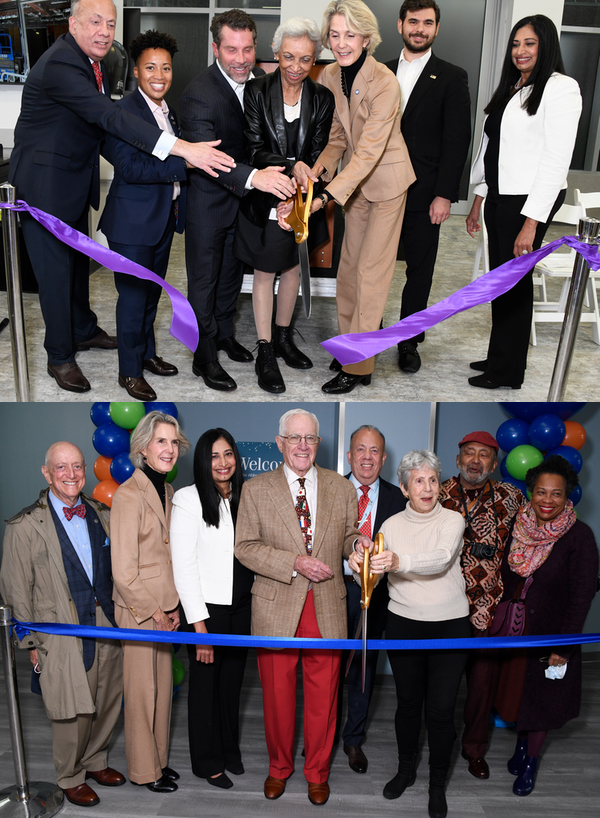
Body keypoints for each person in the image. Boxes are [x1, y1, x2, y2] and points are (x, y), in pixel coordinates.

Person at [9, 0, 235, 394]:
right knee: (57, 276)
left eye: (110, 23)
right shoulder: (62, 63)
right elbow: (107, 116)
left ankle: (82, 330)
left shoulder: (93, 62)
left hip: (73, 185)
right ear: (72, 23)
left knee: (78, 270)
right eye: (94, 21)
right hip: (44, 191)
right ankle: (60, 356)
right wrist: (182, 149)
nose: (103, 30)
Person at [235, 408, 369, 806]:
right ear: (279, 443)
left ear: (318, 444)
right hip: (276, 605)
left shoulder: (340, 487)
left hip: (327, 604)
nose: (302, 446)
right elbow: (245, 547)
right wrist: (293, 563)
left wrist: (356, 546)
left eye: (310, 438)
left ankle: (318, 772)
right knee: (276, 698)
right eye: (294, 438)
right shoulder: (256, 489)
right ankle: (279, 768)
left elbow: (347, 537)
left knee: (325, 698)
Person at [0, 442, 124, 807]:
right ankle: (69, 775)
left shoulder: (102, 513)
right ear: (46, 472)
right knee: (71, 707)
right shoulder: (24, 526)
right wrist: (32, 643)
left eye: (77, 466)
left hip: (107, 623)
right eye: (61, 467)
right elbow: (15, 589)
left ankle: (96, 760)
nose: (71, 474)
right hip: (60, 630)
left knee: (107, 697)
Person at [180, 10, 296, 392]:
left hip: (247, 204)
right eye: (232, 49)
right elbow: (208, 158)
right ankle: (204, 355)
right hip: (209, 204)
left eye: (248, 49)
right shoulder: (199, 91)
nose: (241, 58)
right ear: (216, 48)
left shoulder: (262, 82)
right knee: (204, 282)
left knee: (232, 274)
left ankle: (225, 334)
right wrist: (255, 177)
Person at [466, 14, 582, 390]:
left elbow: (555, 159)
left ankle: (507, 371)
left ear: (545, 45)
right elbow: (493, 148)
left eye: (529, 43)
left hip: (530, 198)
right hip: (501, 193)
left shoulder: (561, 88)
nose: (520, 51)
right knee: (501, 282)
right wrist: (478, 198)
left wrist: (532, 222)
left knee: (514, 283)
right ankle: (501, 354)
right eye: (516, 44)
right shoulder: (514, 86)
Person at [351, 450, 469, 818]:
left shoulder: (453, 520)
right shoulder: (389, 526)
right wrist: (360, 567)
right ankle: (405, 770)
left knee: (441, 710)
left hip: (450, 624)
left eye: (433, 479)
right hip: (403, 624)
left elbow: (441, 558)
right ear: (404, 488)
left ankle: (437, 784)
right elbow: (372, 581)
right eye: (418, 480)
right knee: (408, 706)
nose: (428, 487)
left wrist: (400, 561)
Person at [312, 0, 415, 394]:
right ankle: (349, 347)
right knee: (348, 271)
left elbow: (371, 150)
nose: (341, 43)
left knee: (372, 275)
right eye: (335, 35)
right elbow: (338, 139)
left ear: (367, 38)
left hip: (386, 183)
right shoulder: (331, 76)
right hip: (354, 185)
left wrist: (327, 197)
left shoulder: (386, 81)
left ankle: (359, 368)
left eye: (350, 35)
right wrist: (315, 175)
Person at [233, 17, 334, 394]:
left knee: (292, 268)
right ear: (275, 54)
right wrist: (290, 169)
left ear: (315, 61)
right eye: (288, 57)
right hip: (264, 195)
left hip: (304, 198)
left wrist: (298, 195)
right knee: (265, 272)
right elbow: (254, 149)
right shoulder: (256, 91)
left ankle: (283, 337)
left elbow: (320, 152)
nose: (295, 67)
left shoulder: (322, 98)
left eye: (305, 59)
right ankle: (264, 349)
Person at [494, 455, 598, 796]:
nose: (548, 500)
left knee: (542, 702)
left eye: (556, 494)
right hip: (515, 632)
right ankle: (521, 748)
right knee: (519, 697)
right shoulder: (516, 527)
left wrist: (563, 647)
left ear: (567, 496)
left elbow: (581, 597)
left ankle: (531, 761)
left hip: (553, 636)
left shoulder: (580, 536)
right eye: (541, 492)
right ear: (531, 493)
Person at [99, 31, 185, 402]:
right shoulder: (122, 113)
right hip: (132, 225)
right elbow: (131, 168)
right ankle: (129, 372)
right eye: (150, 67)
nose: (159, 75)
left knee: (151, 296)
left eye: (165, 68)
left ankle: (147, 354)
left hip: (162, 219)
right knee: (133, 300)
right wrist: (185, 165)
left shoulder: (168, 111)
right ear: (136, 71)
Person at [386, 0, 471, 374]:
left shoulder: (452, 77)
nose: (420, 28)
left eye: (428, 23)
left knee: (419, 271)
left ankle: (409, 342)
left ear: (437, 29)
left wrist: (444, 194)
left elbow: (457, 141)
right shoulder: (379, 72)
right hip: (379, 191)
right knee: (373, 269)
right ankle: (367, 337)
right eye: (413, 21)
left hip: (425, 193)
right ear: (400, 24)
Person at [110, 411, 190, 793]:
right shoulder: (128, 494)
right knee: (142, 695)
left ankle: (158, 761)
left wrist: (173, 606)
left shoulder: (168, 491)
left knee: (162, 691)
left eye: (174, 442)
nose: (169, 449)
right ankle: (144, 771)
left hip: (164, 610)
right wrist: (155, 611)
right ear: (143, 447)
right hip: (139, 611)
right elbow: (124, 570)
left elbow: (167, 555)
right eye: (161, 441)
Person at [171, 429, 254, 790]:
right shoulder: (188, 500)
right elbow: (184, 565)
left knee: (232, 686)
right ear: (203, 462)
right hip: (208, 612)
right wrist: (199, 627)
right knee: (205, 689)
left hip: (241, 608)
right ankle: (206, 761)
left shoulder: (245, 495)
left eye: (228, 455)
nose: (223, 463)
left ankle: (229, 751)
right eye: (214, 456)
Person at [440, 431, 523, 780]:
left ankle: (474, 750)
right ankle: (439, 745)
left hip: (487, 607)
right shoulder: (437, 492)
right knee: (441, 686)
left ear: (494, 461)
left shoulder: (512, 496)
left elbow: (533, 538)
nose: (476, 460)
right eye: (469, 453)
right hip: (442, 604)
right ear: (458, 459)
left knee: (481, 685)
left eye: (484, 455)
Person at [339, 424, 406, 774]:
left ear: (383, 458)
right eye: (360, 450)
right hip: (332, 592)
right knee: (327, 669)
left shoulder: (398, 498)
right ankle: (320, 737)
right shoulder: (330, 490)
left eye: (375, 450)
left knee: (363, 672)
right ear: (349, 456)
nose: (367, 457)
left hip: (376, 596)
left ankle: (353, 740)